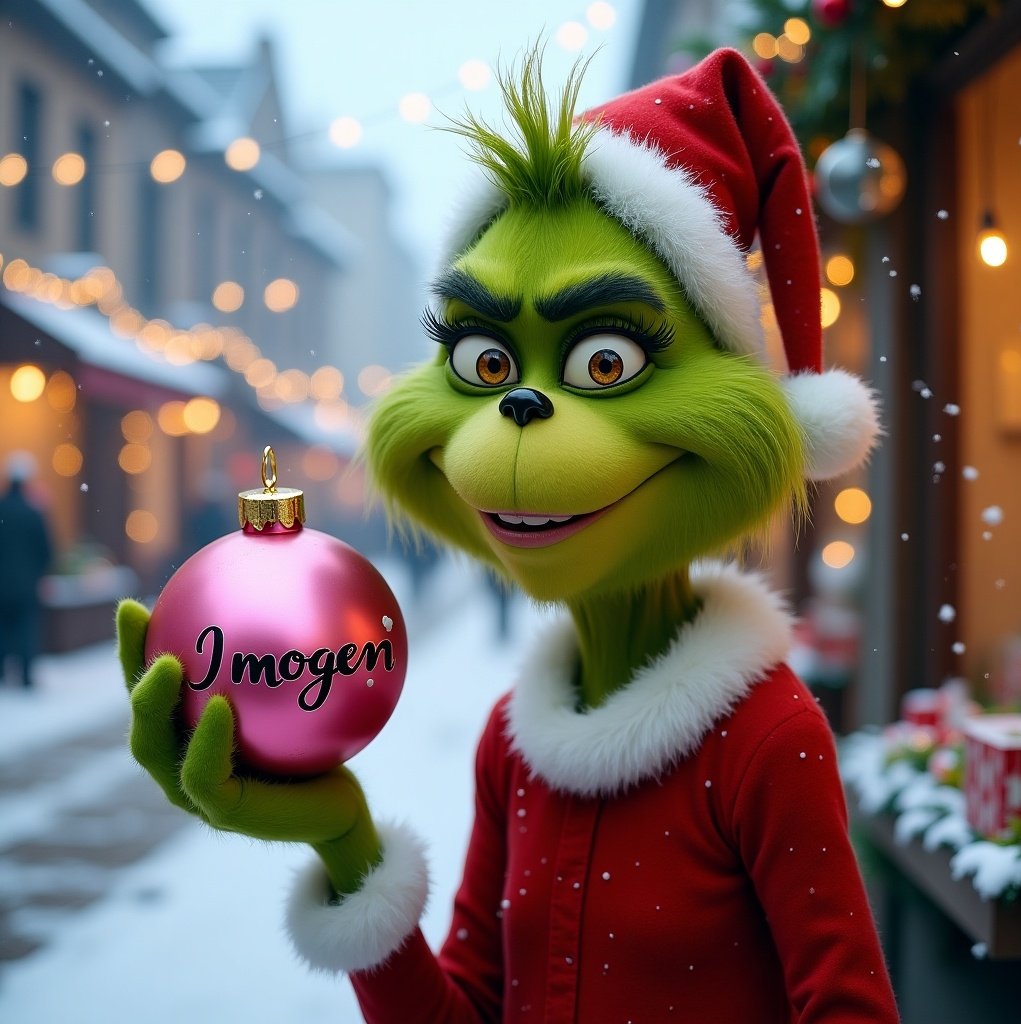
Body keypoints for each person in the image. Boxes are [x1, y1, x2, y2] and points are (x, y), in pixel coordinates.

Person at [119, 48, 899, 1021]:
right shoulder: (512, 744)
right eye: (486, 360)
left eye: (604, 358)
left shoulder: (766, 741)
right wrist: (344, 837)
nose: (522, 407)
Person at [0, 452, 53, 688]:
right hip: (26, 584)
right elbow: (46, 549)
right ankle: (25, 676)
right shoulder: (33, 513)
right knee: (26, 629)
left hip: (2, 583)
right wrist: (41, 574)